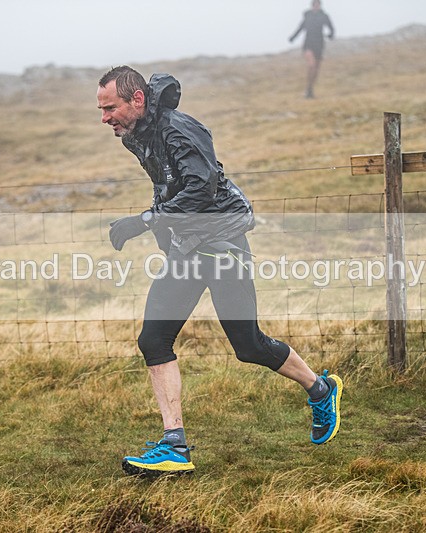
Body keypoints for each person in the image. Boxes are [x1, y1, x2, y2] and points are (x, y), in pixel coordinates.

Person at [96, 66, 343, 477]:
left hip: (223, 247)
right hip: (187, 249)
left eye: (110, 108)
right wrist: (162, 230)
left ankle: (320, 389)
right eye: (102, 110)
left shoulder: (180, 129)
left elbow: (202, 188)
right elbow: (169, 186)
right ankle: (174, 444)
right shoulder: (137, 134)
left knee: (248, 346)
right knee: (154, 339)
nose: (105, 118)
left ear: (136, 100)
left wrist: (144, 220)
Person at [289, 0, 335, 99]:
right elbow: (300, 28)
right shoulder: (307, 16)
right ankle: (309, 89)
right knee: (311, 65)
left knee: (316, 69)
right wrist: (293, 37)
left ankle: (310, 89)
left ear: (320, 6)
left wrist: (330, 35)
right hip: (308, 44)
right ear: (312, 6)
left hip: (319, 44)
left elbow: (331, 28)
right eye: (314, 5)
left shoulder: (324, 16)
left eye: (317, 5)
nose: (316, 7)